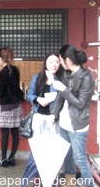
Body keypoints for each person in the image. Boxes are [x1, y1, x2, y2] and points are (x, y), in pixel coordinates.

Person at [48, 45, 95, 187]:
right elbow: (60, 98)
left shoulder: (87, 78)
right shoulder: (66, 74)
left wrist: (63, 89)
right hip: (64, 123)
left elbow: (81, 104)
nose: (59, 63)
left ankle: (89, 185)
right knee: (67, 155)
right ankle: (70, 183)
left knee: (79, 158)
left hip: (77, 125)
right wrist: (53, 114)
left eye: (60, 60)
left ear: (68, 60)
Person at [22, 52, 63, 186]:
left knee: (52, 152)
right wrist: (37, 98)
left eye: (56, 61)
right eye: (50, 62)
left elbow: (64, 98)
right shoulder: (37, 77)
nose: (53, 64)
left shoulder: (62, 79)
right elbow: (30, 94)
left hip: (54, 120)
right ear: (45, 63)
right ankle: (33, 180)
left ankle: (51, 181)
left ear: (60, 63)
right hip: (38, 118)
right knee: (37, 151)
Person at [0, 47, 23, 167]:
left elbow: (1, 93)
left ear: (0, 59)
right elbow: (13, 86)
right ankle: (12, 158)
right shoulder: (16, 70)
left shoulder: (1, 73)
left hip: (5, 107)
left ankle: (3, 159)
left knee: (4, 134)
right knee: (15, 132)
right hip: (16, 105)